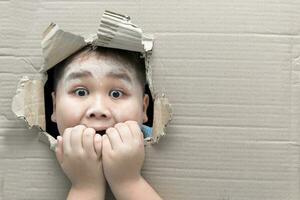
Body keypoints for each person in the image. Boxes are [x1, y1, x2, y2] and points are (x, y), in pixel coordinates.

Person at [49, 45, 162, 200]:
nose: (98, 109)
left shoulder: (160, 144)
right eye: (81, 92)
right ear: (54, 106)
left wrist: (127, 181)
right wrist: (86, 185)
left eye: (116, 94)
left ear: (144, 108)